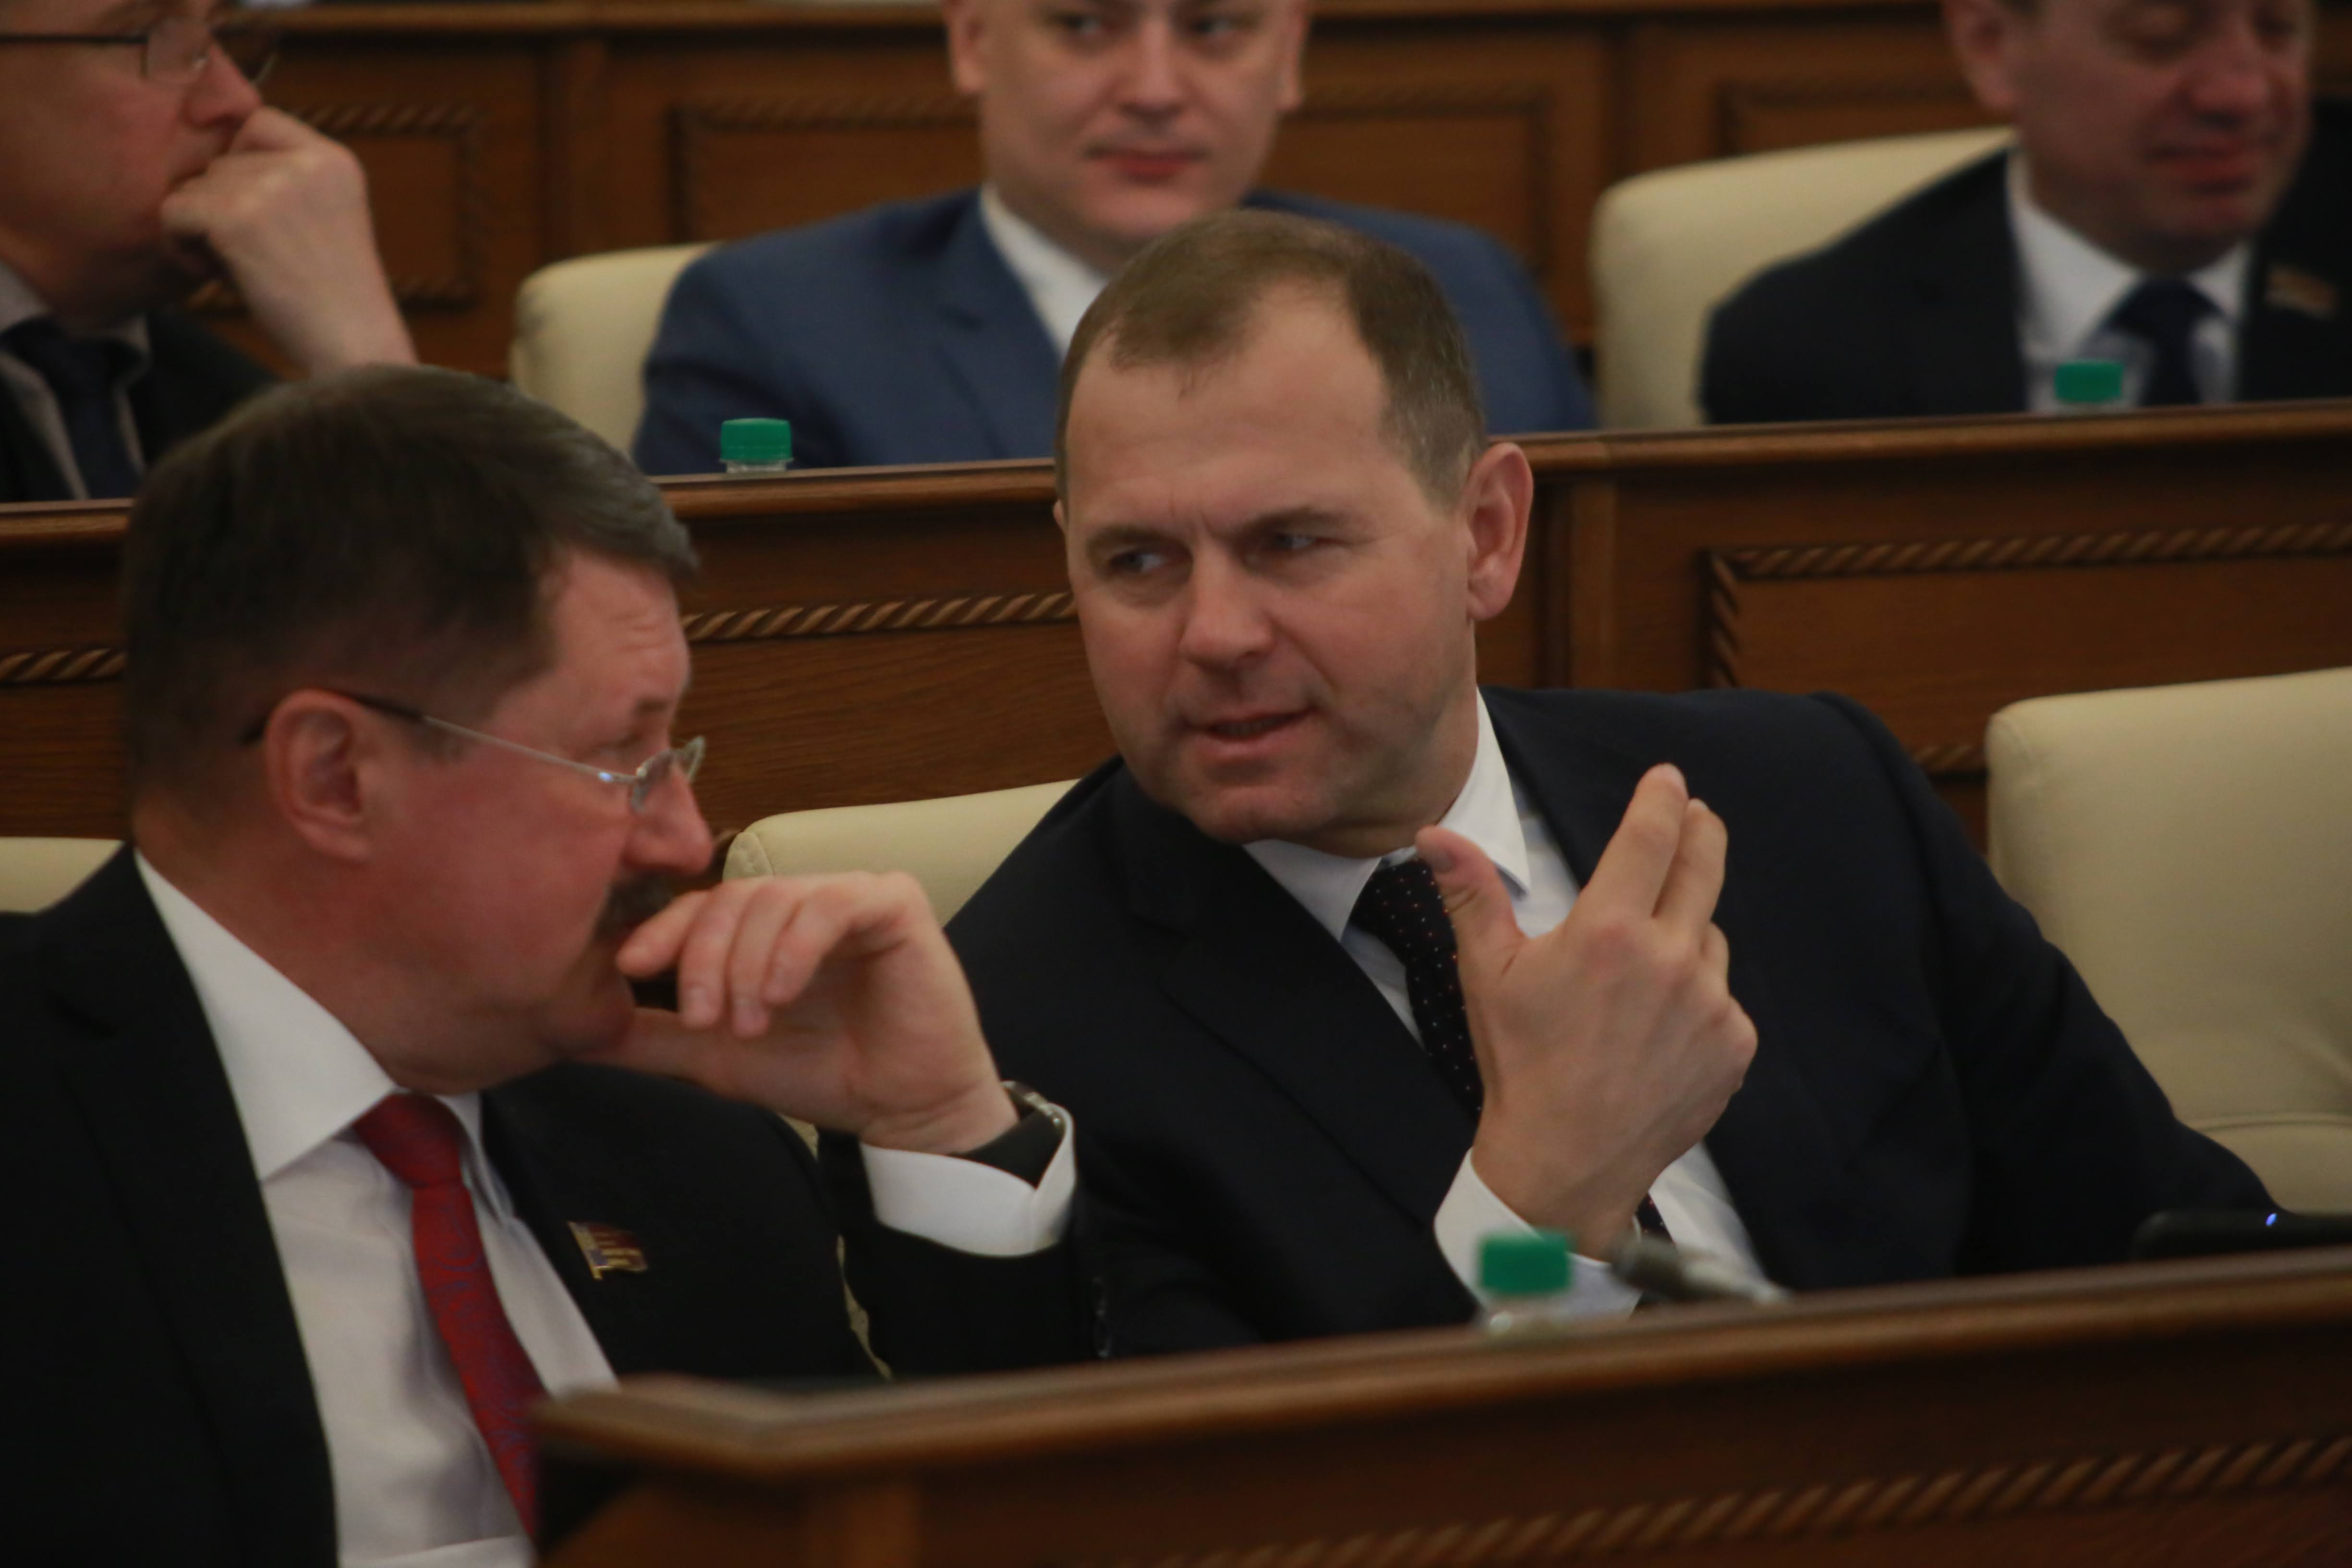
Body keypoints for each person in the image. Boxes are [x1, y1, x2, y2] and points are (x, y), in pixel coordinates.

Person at [947, 210, 2268, 1354]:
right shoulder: (1013, 1038)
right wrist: (1541, 1200)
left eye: (1290, 542)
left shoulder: (1814, 798)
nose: (1214, 634)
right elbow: (1259, 1516)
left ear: (1484, 535)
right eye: (1136, 563)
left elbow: (2185, 1249)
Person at [4, 367, 1085, 1567]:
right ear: (334, 776)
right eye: (621, 762)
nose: (683, 839)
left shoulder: (678, 1135)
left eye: (674, 758)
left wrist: (936, 1125)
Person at [632, 0, 1590, 475]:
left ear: (1290, 55)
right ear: (972, 40)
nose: (1154, 90)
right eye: (1086, 24)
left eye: (1212, 27)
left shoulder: (1466, 292)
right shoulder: (777, 327)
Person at [1702, 0, 2352, 423]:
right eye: (2161, 37)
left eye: (2276, 28)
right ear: (1989, 44)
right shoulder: (1812, 349)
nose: (2240, 92)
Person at [0, 0, 415, 502]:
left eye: (220, 33)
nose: (237, 99)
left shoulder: (222, 397)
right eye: (144, 37)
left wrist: (363, 357)